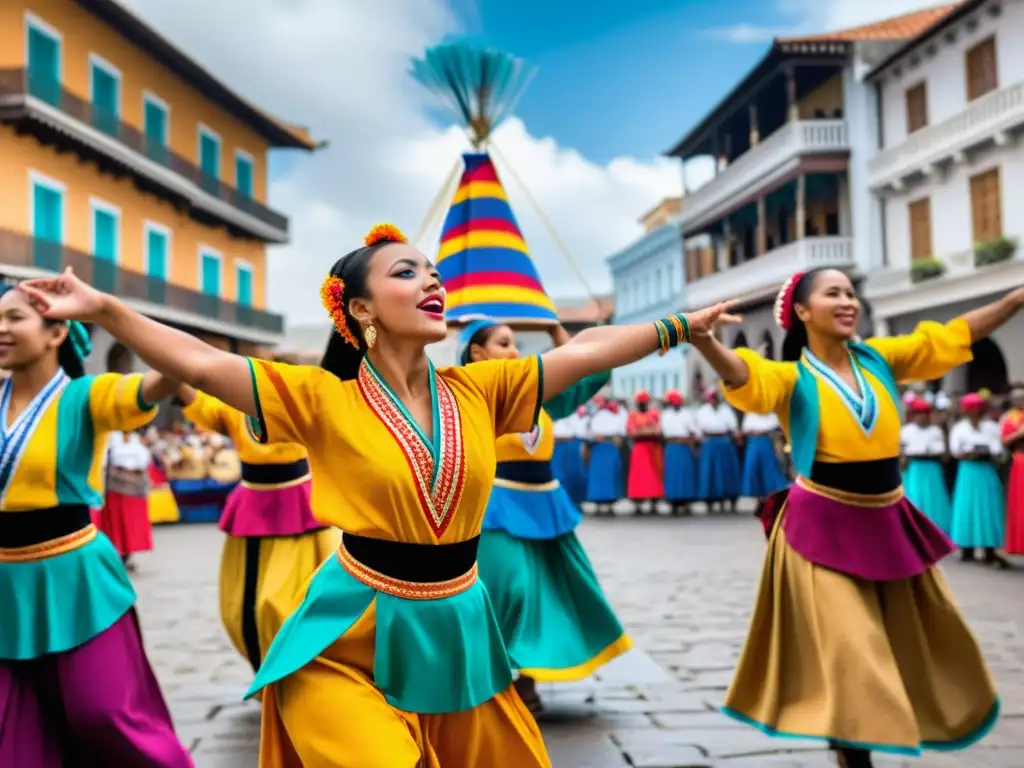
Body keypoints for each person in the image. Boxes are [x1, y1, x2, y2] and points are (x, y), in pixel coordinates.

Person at [18, 224, 736, 768]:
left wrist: (679, 328)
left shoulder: (482, 390)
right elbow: (204, 364)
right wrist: (105, 307)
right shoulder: (319, 399)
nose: (435, 282)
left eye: (435, 272)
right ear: (360, 308)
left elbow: (582, 352)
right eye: (408, 272)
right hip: (351, 631)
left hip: (459, 627)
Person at [689, 267, 1010, 767]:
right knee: (850, 648)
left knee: (922, 638)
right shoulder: (790, 376)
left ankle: (860, 741)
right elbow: (743, 375)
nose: (848, 302)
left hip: (886, 519)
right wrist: (706, 341)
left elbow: (955, 335)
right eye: (833, 293)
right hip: (821, 526)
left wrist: (1016, 296)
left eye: (851, 293)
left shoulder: (878, 359)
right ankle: (854, 756)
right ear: (802, 311)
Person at [0, 283, 192, 767]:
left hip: (74, 572)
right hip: (4, 581)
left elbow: (175, 373)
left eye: (15, 318)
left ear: (56, 332)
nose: (0, 329)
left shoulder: (90, 396)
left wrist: (107, 310)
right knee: (12, 733)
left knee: (104, 713)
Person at [457, 319, 629, 716]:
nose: (515, 351)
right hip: (496, 510)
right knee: (510, 590)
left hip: (545, 506)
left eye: (516, 343)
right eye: (503, 343)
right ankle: (500, 682)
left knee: (555, 592)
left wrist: (556, 334)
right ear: (477, 352)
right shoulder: (469, 392)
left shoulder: (535, 393)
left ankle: (527, 679)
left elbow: (591, 368)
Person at [180, 386, 341, 673]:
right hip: (253, 505)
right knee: (244, 608)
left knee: (288, 602)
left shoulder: (304, 398)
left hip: (300, 508)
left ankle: (302, 673)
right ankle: (271, 674)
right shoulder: (231, 406)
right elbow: (196, 395)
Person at [949, 393, 1009, 568]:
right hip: (968, 470)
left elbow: (998, 447)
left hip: (986, 470)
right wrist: (968, 452)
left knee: (988, 507)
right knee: (967, 506)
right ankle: (967, 548)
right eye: (971, 411)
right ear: (966, 412)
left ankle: (989, 549)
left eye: (978, 411)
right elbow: (954, 449)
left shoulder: (991, 427)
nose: (975, 414)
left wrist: (986, 450)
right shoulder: (959, 428)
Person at [100, 429, 155, 570]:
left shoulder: (137, 441)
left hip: (135, 489)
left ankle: (128, 554)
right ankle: (116, 554)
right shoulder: (111, 439)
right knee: (116, 523)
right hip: (115, 487)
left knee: (133, 524)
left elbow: (143, 461)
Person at [900, 396, 952, 535]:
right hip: (914, 467)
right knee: (915, 496)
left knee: (934, 497)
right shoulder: (906, 431)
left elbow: (942, 451)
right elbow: (902, 450)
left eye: (925, 414)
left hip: (932, 466)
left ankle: (936, 528)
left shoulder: (936, 431)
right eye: (918, 414)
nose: (922, 417)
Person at [695, 387, 740, 513]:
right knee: (710, 472)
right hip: (709, 443)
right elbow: (698, 430)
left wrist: (736, 437)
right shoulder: (702, 411)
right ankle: (710, 500)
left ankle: (730, 498)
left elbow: (733, 428)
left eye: (715, 398)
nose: (713, 401)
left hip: (724, 442)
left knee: (726, 471)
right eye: (711, 398)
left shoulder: (726, 410)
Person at [660, 389, 699, 515]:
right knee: (672, 474)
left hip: (684, 446)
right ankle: (673, 501)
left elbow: (695, 431)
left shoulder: (687, 414)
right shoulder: (665, 415)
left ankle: (687, 500)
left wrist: (690, 440)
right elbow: (663, 432)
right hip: (672, 446)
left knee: (685, 474)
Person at [738, 409, 787, 508]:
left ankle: (770, 495)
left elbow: (778, 429)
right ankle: (757, 496)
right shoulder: (750, 414)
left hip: (767, 441)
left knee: (769, 468)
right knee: (754, 467)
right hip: (754, 442)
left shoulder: (772, 415)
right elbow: (745, 429)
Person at [626, 390, 664, 514]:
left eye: (644, 402)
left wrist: (643, 430)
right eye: (640, 402)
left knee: (654, 475)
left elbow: (657, 431)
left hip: (652, 448)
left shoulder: (654, 414)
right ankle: (638, 502)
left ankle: (654, 501)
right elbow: (632, 432)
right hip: (639, 448)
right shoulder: (633, 415)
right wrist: (647, 430)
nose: (642, 405)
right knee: (639, 476)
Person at [586, 397, 624, 514]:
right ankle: (606, 502)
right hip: (603, 447)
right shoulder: (612, 416)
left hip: (604, 447)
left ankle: (604, 502)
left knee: (604, 476)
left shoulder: (609, 416)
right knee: (604, 475)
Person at [1001, 388, 1024, 556]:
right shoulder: (1008, 418)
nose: (1019, 401)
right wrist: (1019, 434)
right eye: (1016, 398)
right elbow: (1004, 441)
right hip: (1018, 460)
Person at [551, 405, 587, 507]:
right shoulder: (552, 412)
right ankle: (559, 502)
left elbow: (580, 430)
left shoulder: (575, 413)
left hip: (572, 444)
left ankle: (576, 501)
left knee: (575, 473)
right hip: (556, 446)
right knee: (558, 475)